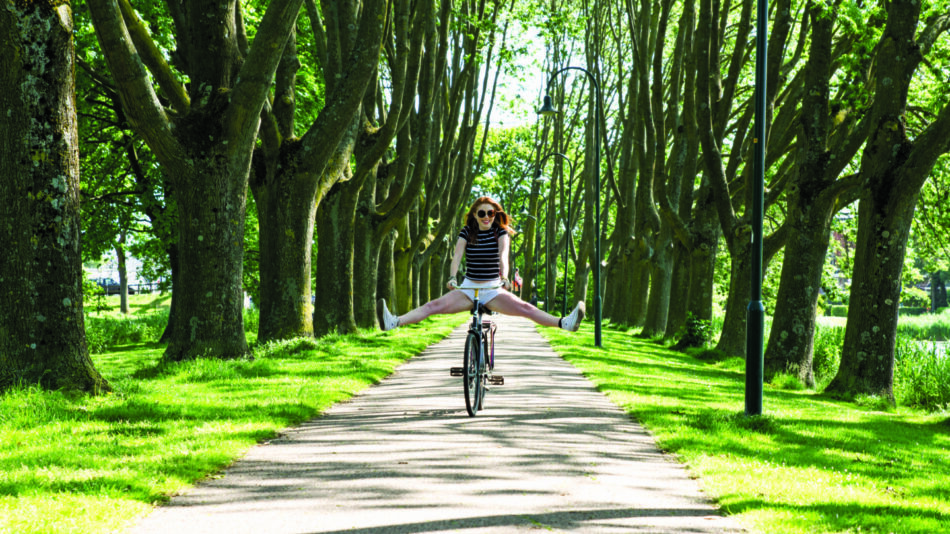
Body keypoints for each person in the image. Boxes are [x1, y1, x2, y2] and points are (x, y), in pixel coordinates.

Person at [377, 196, 585, 332]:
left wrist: (504, 279)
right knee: (433, 306)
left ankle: (564, 323)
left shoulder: (500, 232)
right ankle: (393, 322)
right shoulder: (467, 232)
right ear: (475, 215)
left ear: (495, 215)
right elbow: (457, 255)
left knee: (525, 308)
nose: (486, 217)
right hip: (468, 287)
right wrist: (452, 277)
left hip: (493, 288)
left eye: (491, 213)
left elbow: (504, 255)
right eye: (482, 213)